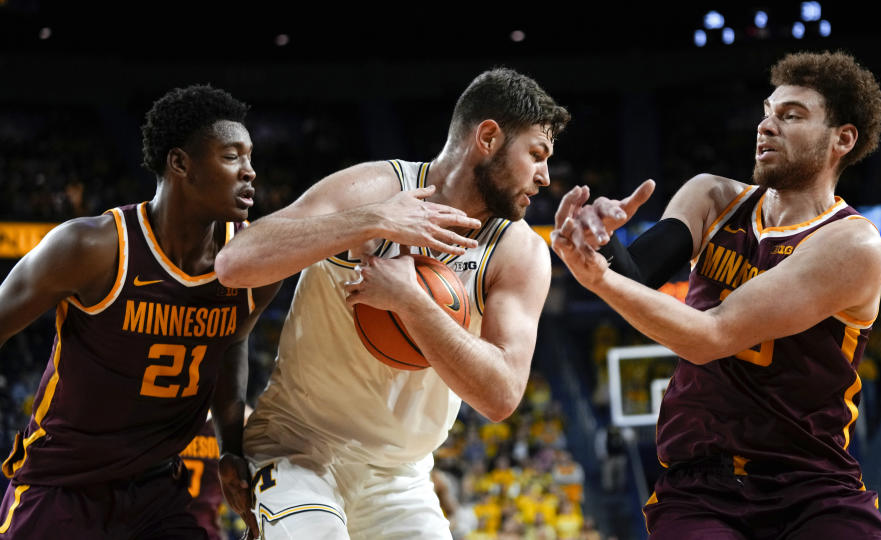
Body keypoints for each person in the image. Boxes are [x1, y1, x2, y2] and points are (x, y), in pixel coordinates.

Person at [214, 68, 570, 539]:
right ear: (488, 136)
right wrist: (371, 221)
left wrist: (408, 300)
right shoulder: (375, 189)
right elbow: (235, 263)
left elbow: (500, 396)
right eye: (537, 155)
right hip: (299, 446)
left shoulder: (518, 252)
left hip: (400, 476)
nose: (545, 176)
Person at [551, 51, 881, 538]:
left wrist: (599, 278)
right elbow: (637, 274)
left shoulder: (852, 243)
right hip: (699, 486)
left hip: (810, 484)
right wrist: (598, 242)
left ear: (843, 139)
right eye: (766, 112)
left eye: (791, 116)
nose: (767, 126)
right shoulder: (712, 197)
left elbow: (710, 336)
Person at [0, 85, 280, 538]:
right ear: (180, 163)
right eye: (232, 157)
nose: (250, 172)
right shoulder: (91, 248)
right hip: (61, 485)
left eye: (250, 157)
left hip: (156, 492)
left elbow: (231, 344)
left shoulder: (254, 264)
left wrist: (231, 449)